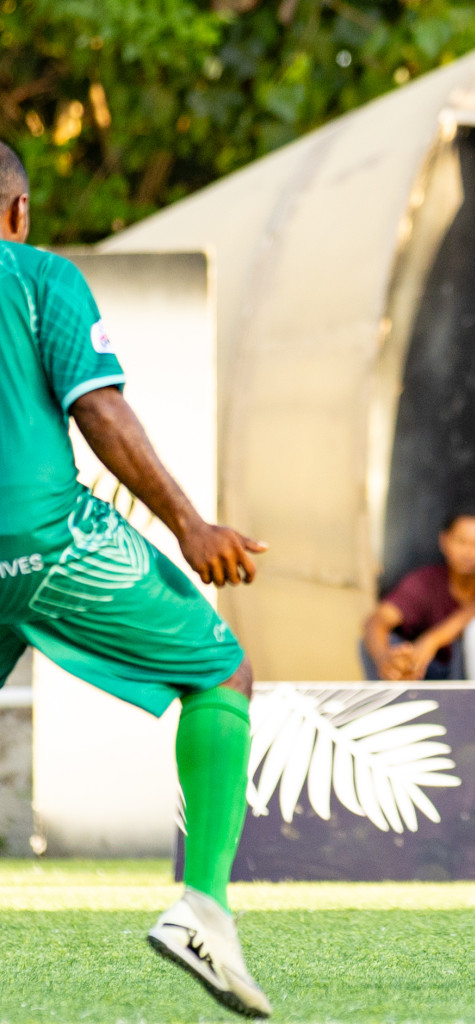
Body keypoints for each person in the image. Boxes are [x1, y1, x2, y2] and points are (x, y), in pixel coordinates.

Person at [0, 143, 272, 1016]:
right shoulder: (38, 276)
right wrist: (190, 525)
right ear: (17, 211)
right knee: (220, 668)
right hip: (41, 537)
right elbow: (98, 407)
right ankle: (202, 909)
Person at [362, 511, 475, 681]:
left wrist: (431, 641)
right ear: (444, 541)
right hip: (430, 670)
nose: (468, 552)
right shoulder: (425, 580)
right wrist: (385, 659)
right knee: (374, 642)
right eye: (461, 541)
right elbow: (378, 619)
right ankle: (394, 700)